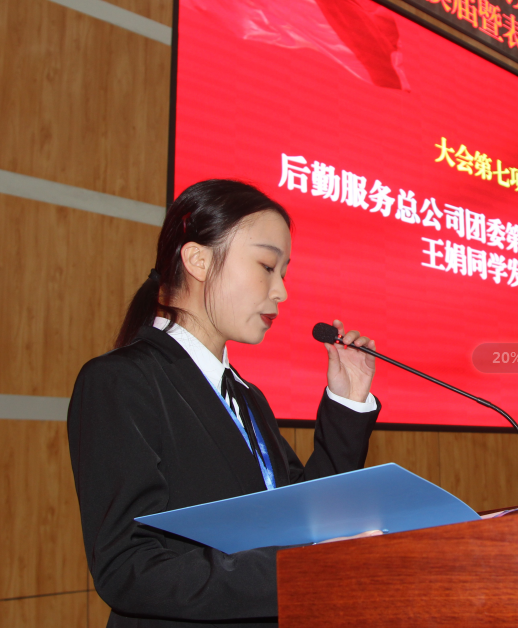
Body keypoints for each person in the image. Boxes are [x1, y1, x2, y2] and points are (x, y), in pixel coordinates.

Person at [67, 179, 380, 627]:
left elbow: (304, 516)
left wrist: (347, 402)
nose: (281, 291)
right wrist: (295, 570)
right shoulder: (122, 381)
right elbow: (128, 568)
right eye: (266, 266)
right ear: (197, 259)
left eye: (284, 272)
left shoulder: (247, 397)